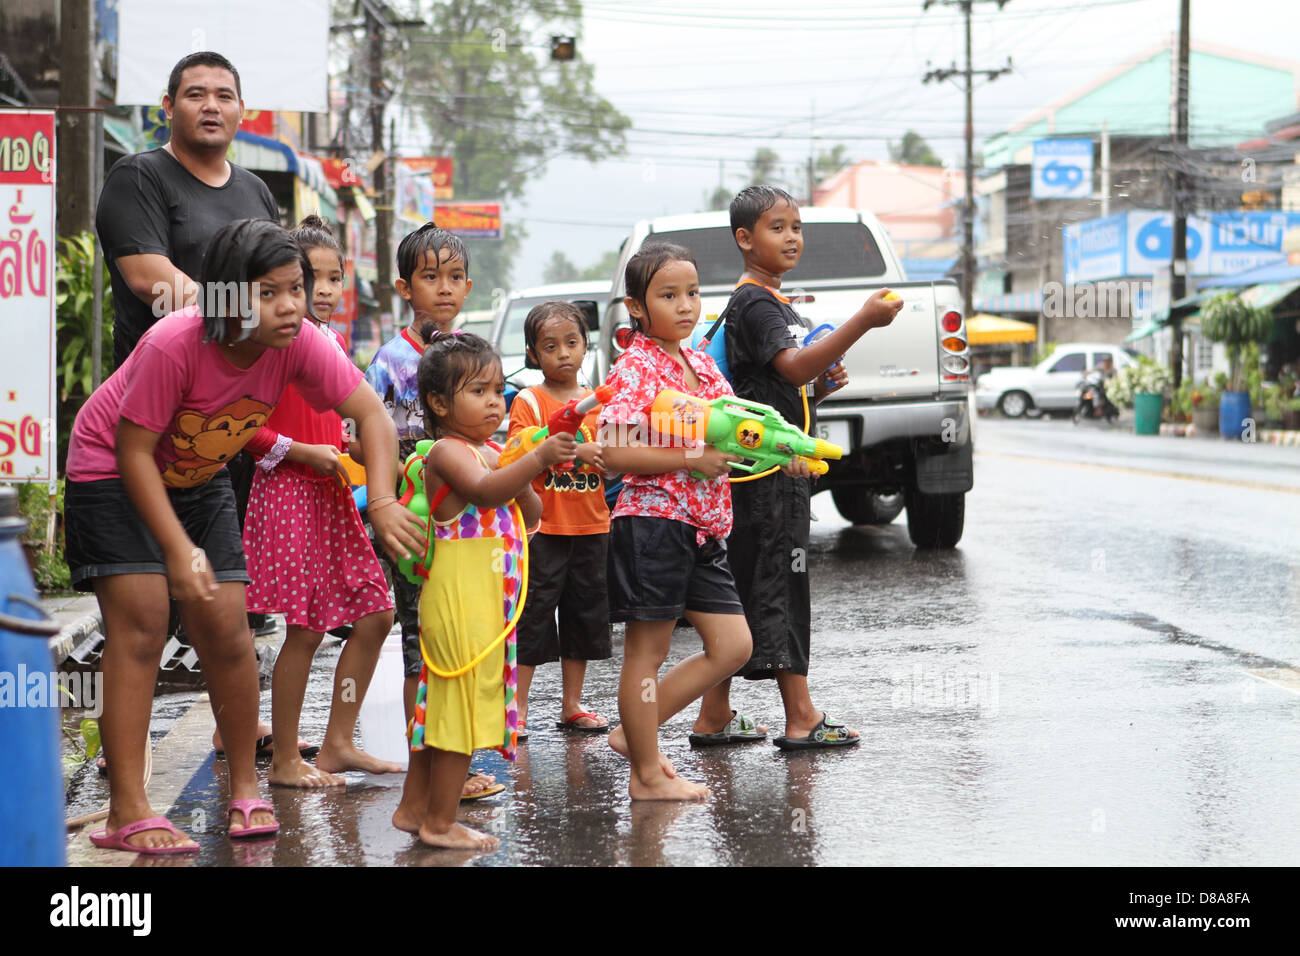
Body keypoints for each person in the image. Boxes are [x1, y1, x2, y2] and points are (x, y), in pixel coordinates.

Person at [62, 218, 424, 852]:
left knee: (228, 630)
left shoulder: (301, 341)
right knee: (143, 627)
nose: (289, 305)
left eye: (295, 288)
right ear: (225, 295)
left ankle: (246, 789)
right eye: (268, 292)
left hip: (197, 476)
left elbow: (370, 414)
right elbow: (134, 449)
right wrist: (176, 549)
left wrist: (387, 500)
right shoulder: (174, 344)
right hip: (115, 469)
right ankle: (127, 811)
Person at [93, 49, 286, 755]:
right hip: (150, 424)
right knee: (142, 612)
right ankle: (125, 763)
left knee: (220, 598)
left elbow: (282, 288)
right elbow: (155, 282)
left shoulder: (257, 194)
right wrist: (249, 312)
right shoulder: (138, 177)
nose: (211, 105)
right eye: (195, 93)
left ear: (242, 110)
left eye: (224, 94)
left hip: (228, 425)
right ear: (169, 106)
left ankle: (236, 726)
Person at [691, 185, 901, 751]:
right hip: (766, 475)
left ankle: (714, 714)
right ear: (744, 238)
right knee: (779, 584)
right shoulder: (756, 303)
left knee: (745, 585)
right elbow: (790, 364)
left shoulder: (763, 303)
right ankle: (801, 716)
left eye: (796, 227)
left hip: (760, 467)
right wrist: (861, 322)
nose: (792, 237)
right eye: (777, 227)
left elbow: (779, 388)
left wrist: (819, 382)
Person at [390, 332, 573, 849]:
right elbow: (484, 492)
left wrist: (528, 462)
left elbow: (532, 512)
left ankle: (413, 807)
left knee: (443, 703)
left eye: (499, 390)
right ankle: (440, 823)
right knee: (456, 710)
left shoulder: (491, 451)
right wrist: (532, 462)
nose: (496, 401)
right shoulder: (449, 452)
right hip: (457, 596)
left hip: (486, 596)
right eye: (479, 391)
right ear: (440, 402)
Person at [239, 216, 402, 787]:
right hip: (287, 490)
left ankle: (336, 743)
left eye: (335, 278)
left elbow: (352, 413)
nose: (326, 290)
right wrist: (299, 450)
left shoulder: (330, 342)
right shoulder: (267, 342)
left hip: (331, 492)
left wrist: (346, 441)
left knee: (377, 613)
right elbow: (240, 426)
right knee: (304, 630)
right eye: (313, 279)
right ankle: (285, 760)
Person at [597, 242, 754, 801]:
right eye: (668, 295)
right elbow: (612, 448)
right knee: (647, 652)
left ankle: (633, 736)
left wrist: (790, 453)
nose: (685, 305)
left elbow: (733, 428)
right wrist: (689, 458)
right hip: (654, 523)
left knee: (733, 645)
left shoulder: (701, 362)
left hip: (703, 528)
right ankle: (646, 773)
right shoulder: (636, 365)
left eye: (692, 292)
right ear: (637, 307)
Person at [363, 223, 497, 800]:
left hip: (468, 526)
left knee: (462, 639)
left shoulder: (471, 355)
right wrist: (391, 489)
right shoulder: (390, 361)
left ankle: (449, 761)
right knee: (423, 643)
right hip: (416, 523)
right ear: (404, 287)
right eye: (430, 277)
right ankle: (432, 768)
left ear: (467, 286)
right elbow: (358, 435)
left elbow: (497, 431)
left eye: (454, 277)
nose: (444, 288)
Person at [507, 302, 612, 740]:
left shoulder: (601, 400)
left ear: (587, 346)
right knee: (532, 618)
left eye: (572, 343)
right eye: (550, 346)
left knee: (583, 617)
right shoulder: (530, 402)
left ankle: (572, 704)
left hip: (593, 527)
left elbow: (617, 455)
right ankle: (519, 706)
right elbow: (516, 457)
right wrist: (575, 449)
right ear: (534, 354)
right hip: (543, 530)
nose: (563, 354)